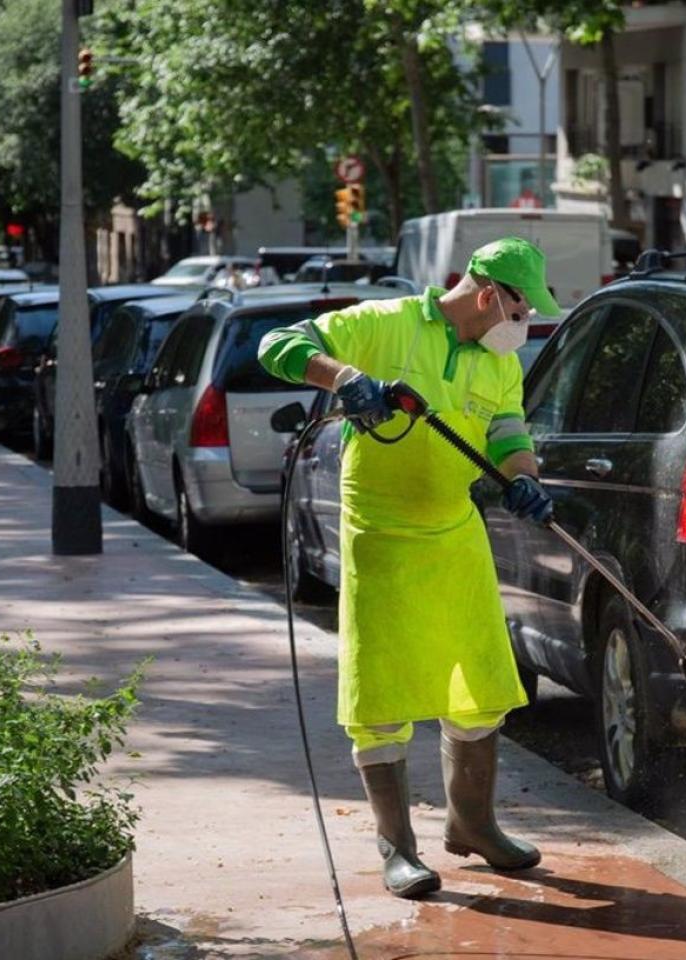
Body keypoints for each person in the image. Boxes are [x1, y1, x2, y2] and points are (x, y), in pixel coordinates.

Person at [257, 238, 559, 899]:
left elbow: (508, 433)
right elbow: (276, 344)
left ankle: (473, 825)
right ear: (488, 295)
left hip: (455, 533)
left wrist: (524, 478)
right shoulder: (383, 324)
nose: (524, 322)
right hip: (381, 537)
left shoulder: (499, 364)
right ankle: (398, 848)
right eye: (521, 307)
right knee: (382, 694)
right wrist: (342, 377)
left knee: (480, 682)